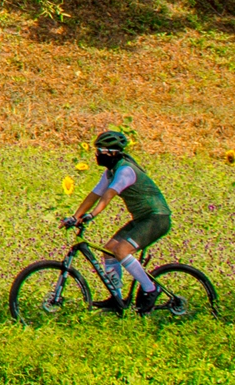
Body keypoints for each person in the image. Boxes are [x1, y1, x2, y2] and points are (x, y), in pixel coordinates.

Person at [67, 128, 173, 313]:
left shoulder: (125, 171)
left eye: (100, 151)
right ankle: (116, 298)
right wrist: (75, 216)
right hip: (142, 219)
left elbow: (108, 195)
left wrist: (92, 215)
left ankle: (151, 289)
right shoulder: (110, 172)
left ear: (112, 153)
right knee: (109, 250)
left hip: (157, 218)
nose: (96, 155)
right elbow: (94, 194)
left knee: (122, 250)